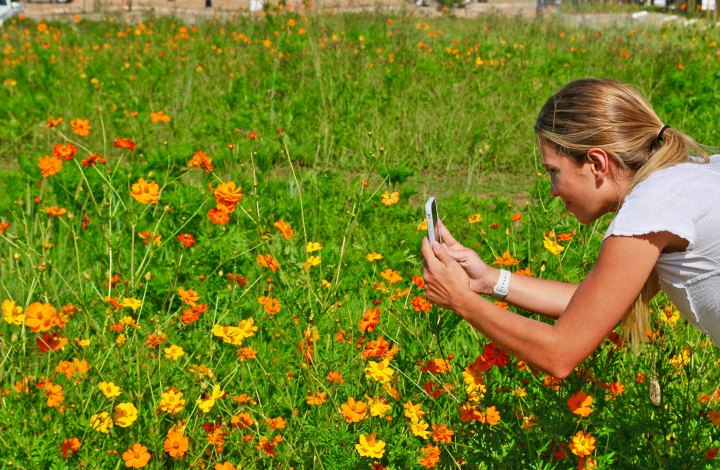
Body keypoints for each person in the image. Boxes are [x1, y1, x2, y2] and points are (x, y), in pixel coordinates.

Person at [421, 77, 720, 379]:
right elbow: (594, 308)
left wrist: (460, 300)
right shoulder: (685, 177)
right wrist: (488, 280)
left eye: (554, 171)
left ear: (597, 163)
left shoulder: (650, 210)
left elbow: (560, 352)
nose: (552, 190)